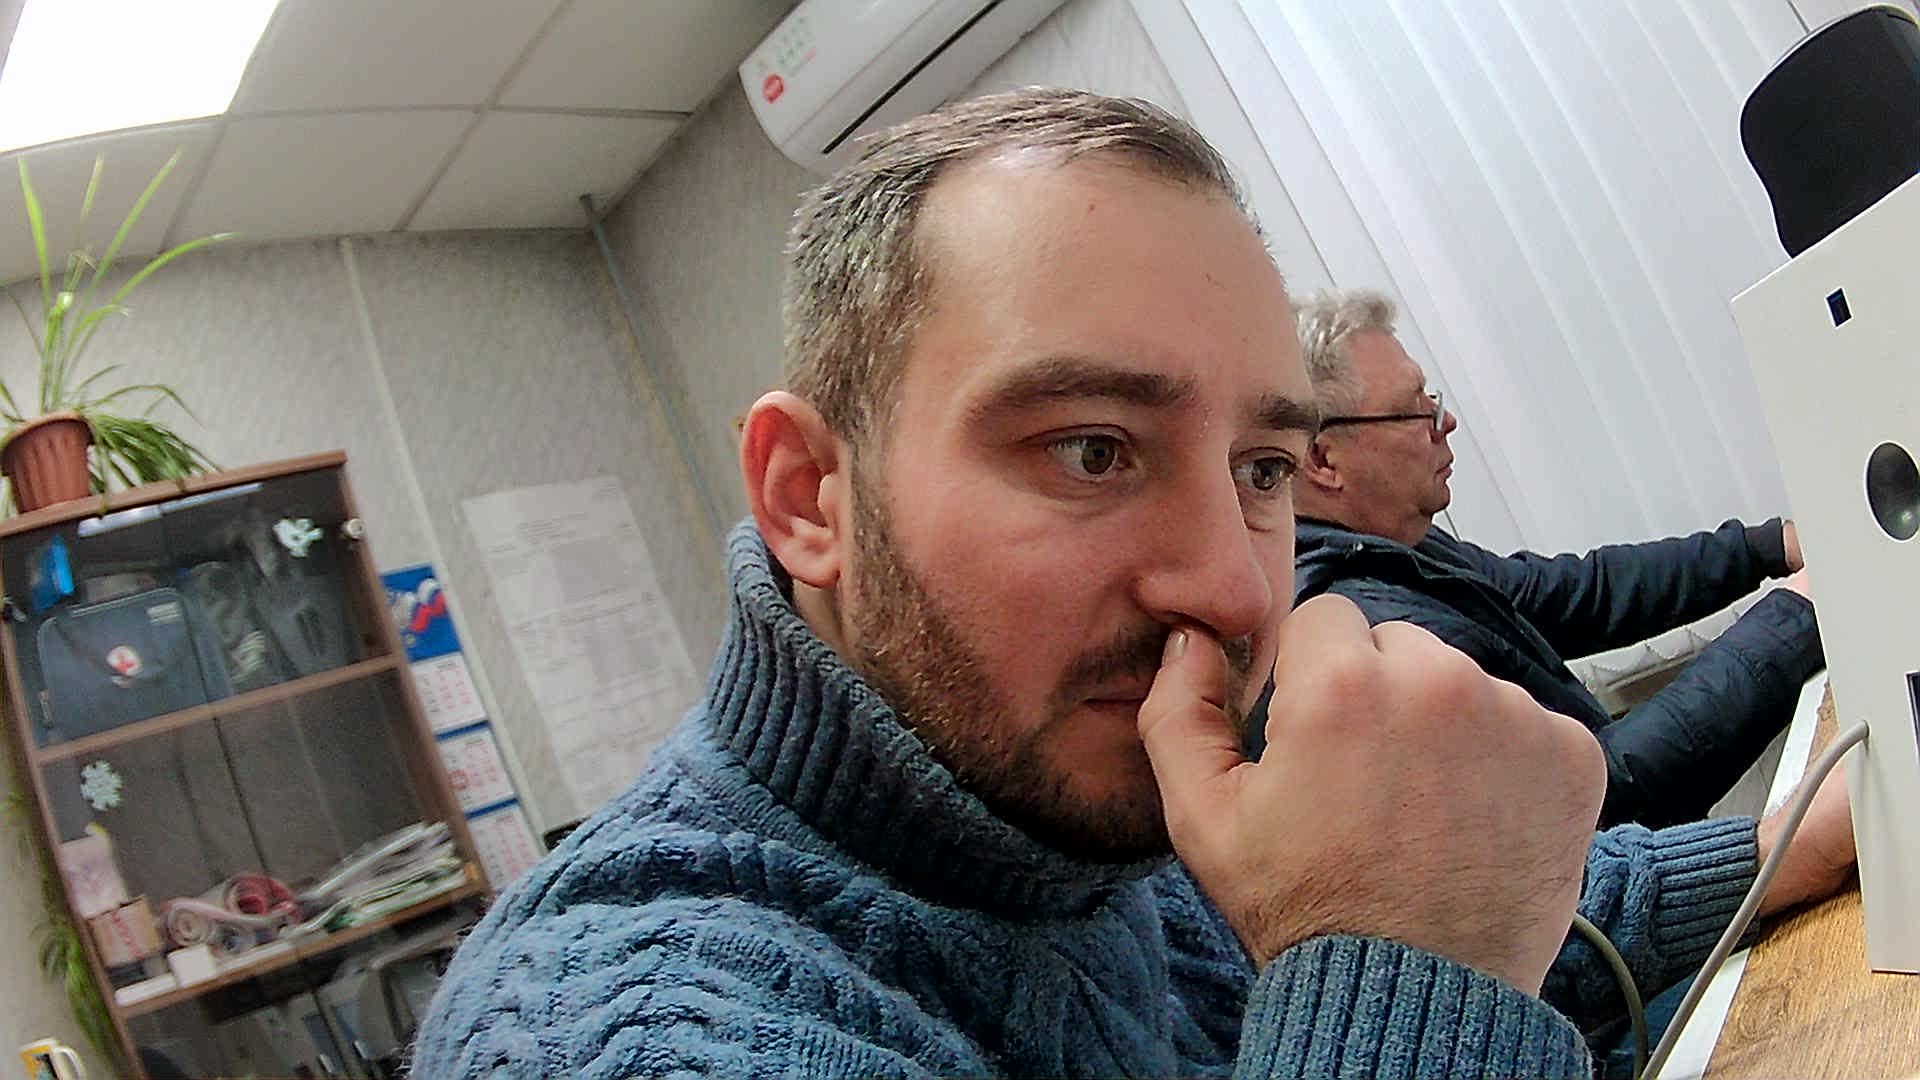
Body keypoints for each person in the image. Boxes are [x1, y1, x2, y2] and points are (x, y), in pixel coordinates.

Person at [412, 89, 1854, 1078]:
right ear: (812, 497)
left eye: (1263, 467)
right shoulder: (618, 1036)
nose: (1234, 592)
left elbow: (1459, 907)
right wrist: (1393, 979)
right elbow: (1392, 959)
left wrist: (1804, 839)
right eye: (1092, 449)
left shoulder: (1061, 794)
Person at [1259, 288, 1825, 828]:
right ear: (1322, 460)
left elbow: (1567, 594)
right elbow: (1603, 801)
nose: (1444, 421)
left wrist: (1767, 547)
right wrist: (1798, 615)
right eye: (1414, 411)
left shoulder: (1392, 548)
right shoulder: (1374, 631)